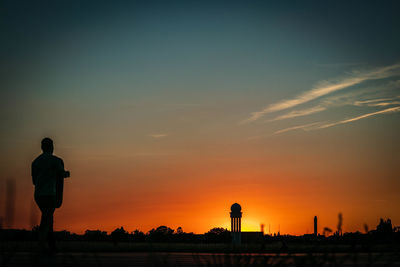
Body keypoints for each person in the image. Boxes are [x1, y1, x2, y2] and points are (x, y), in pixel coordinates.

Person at [31, 138, 70, 254]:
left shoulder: (35, 162)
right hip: (50, 194)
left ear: (42, 147)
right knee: (46, 219)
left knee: (48, 218)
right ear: (52, 147)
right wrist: (67, 174)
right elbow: (62, 173)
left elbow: (34, 181)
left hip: (38, 195)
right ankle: (41, 245)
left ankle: (51, 246)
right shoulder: (55, 160)